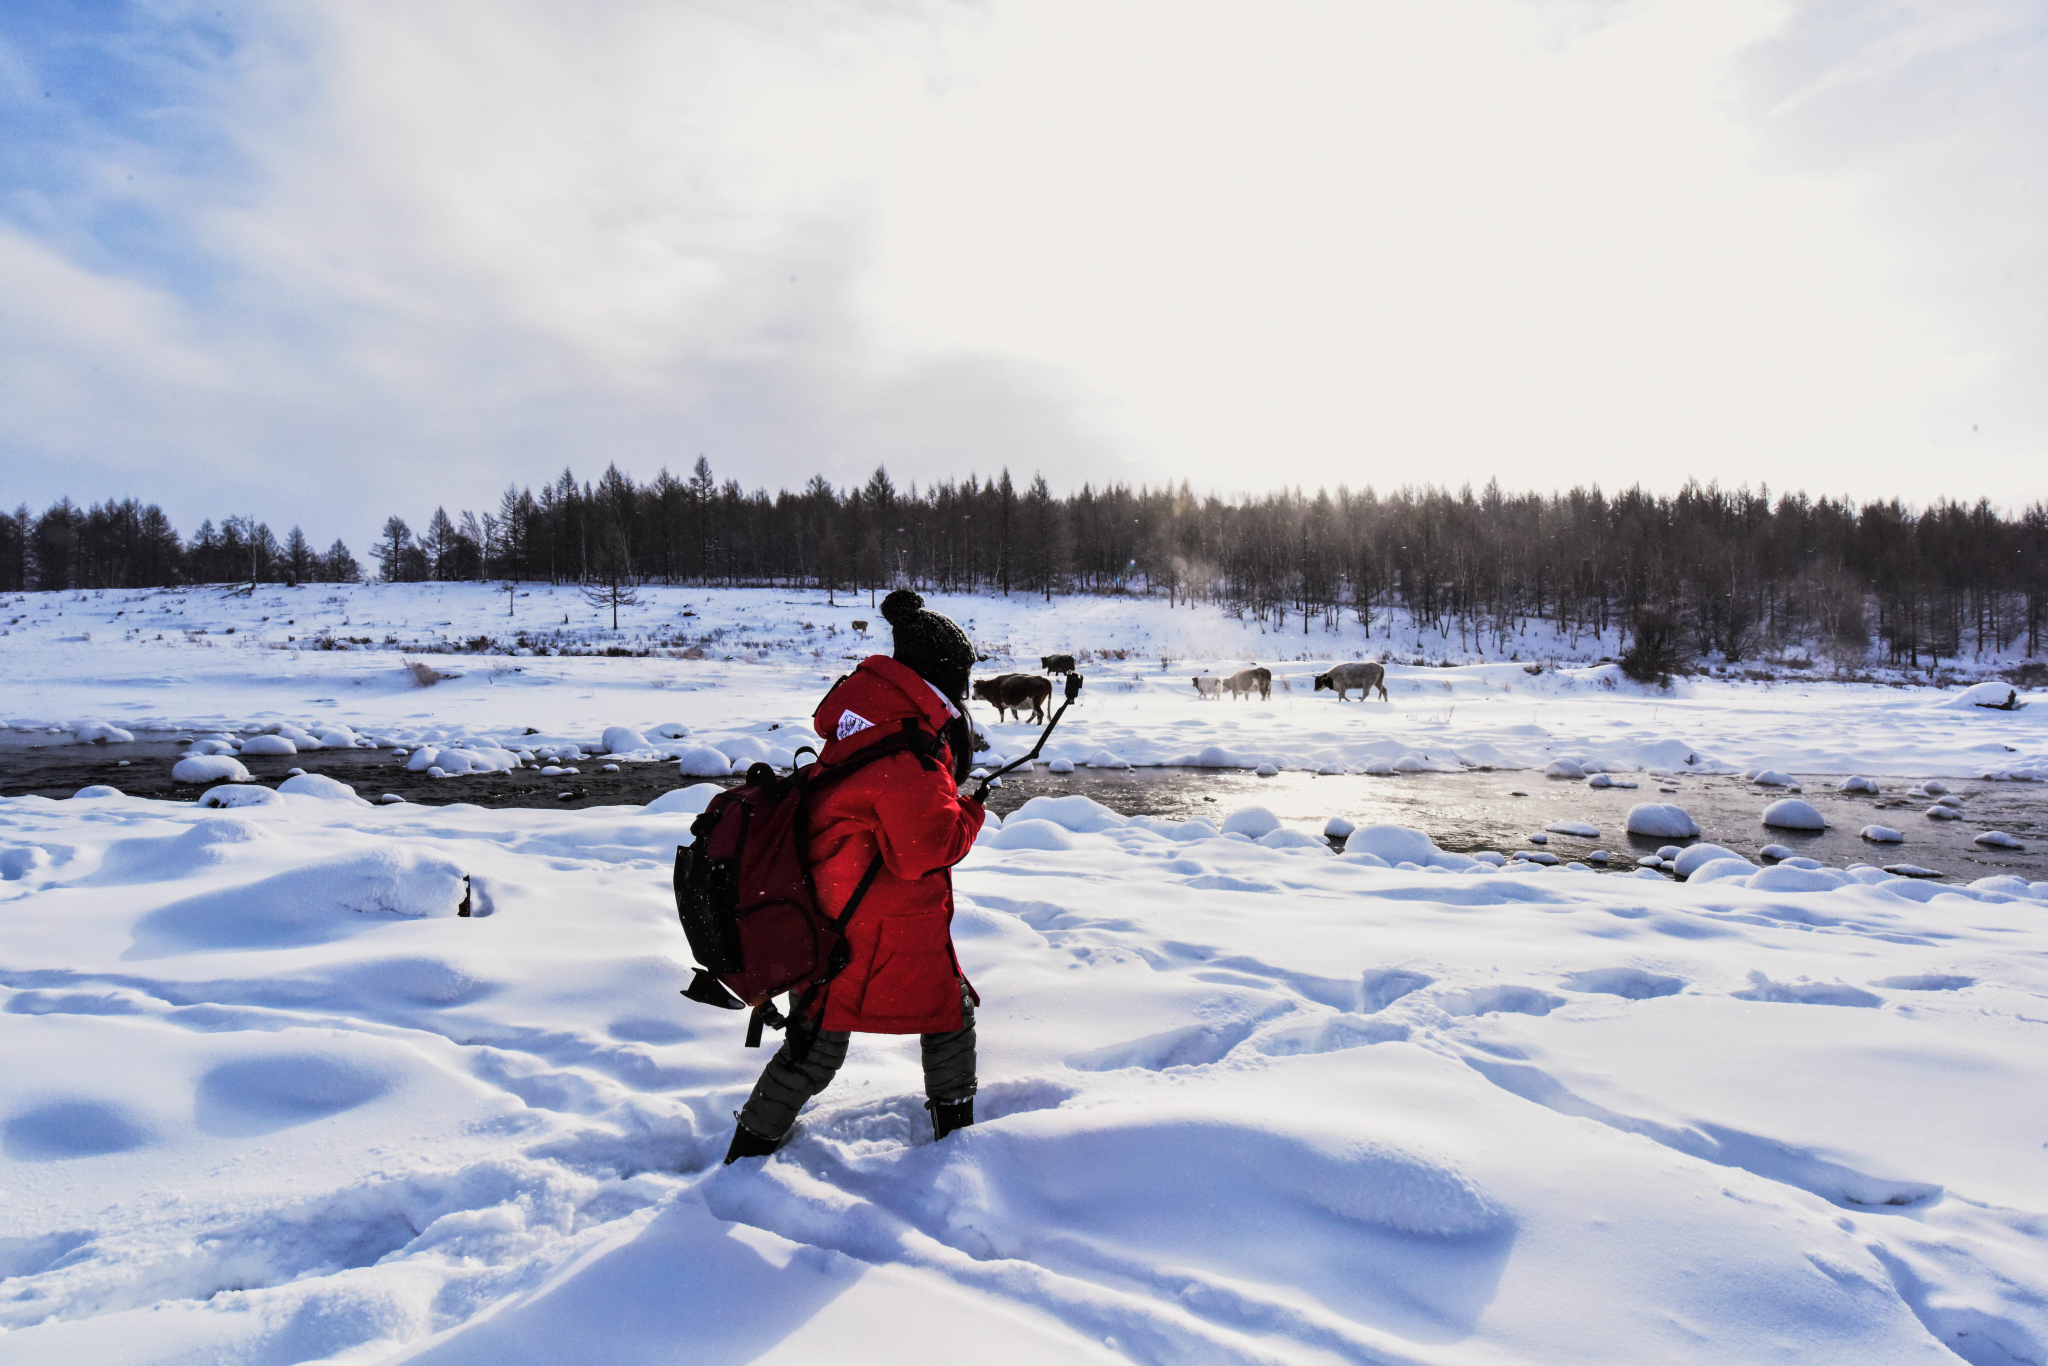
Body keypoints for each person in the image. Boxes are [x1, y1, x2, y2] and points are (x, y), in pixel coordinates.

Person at [725, 589, 987, 1163]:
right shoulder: (906, 751)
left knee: (817, 1042)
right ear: (944, 676)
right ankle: (960, 1147)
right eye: (963, 677)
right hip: (870, 926)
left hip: (834, 912)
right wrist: (970, 810)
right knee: (942, 1019)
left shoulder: (868, 725)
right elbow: (926, 847)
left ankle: (747, 1151)